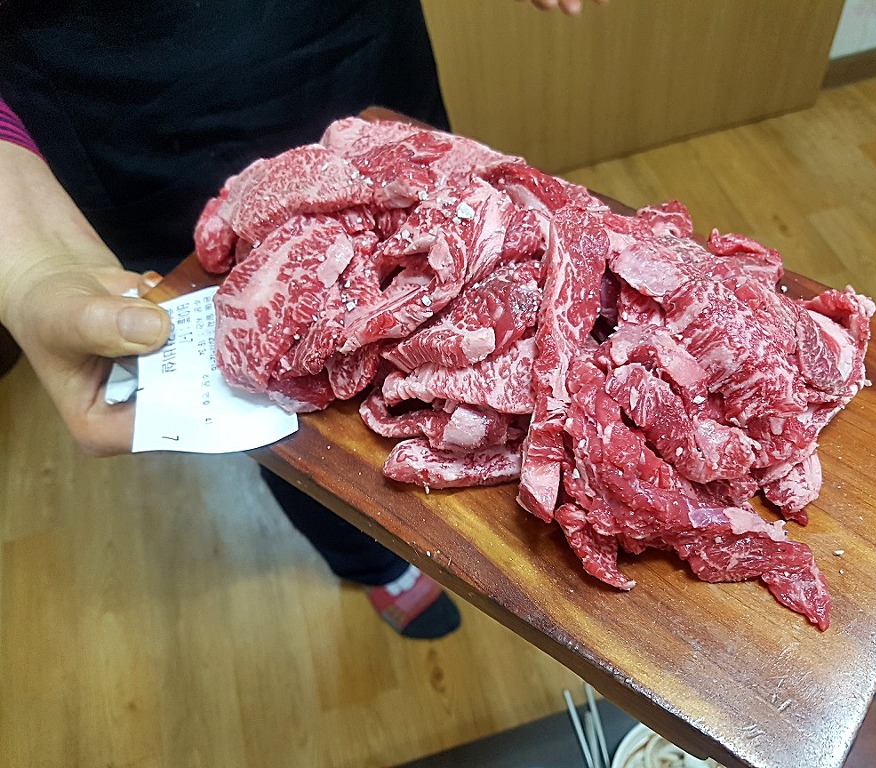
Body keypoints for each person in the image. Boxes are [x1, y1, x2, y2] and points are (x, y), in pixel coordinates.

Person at [0, 0, 607, 640]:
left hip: (355, 46)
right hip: (132, 115)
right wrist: (30, 253)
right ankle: (372, 565)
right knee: (278, 409)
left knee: (456, 237)